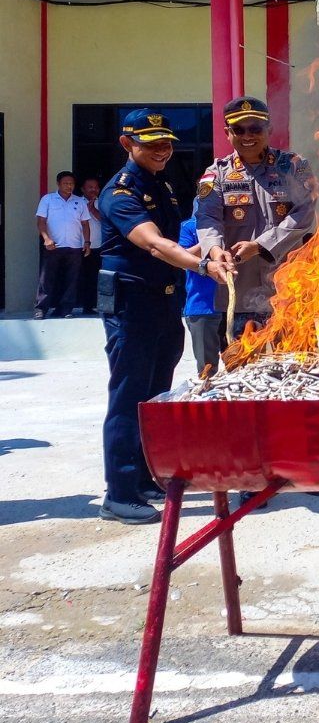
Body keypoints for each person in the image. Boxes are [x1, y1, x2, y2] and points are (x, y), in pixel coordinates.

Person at [95, 110, 234, 524]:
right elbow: (155, 245)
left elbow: (178, 247)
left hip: (162, 302)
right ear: (127, 144)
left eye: (167, 142)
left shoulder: (164, 187)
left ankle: (142, 477)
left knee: (154, 395)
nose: (162, 150)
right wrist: (202, 267)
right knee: (128, 394)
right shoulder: (119, 193)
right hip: (131, 305)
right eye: (151, 143)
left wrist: (214, 252)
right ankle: (117, 493)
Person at [196, 96, 318, 341]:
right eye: (238, 129)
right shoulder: (216, 174)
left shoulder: (293, 167)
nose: (247, 136)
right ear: (227, 133)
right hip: (240, 293)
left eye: (255, 128)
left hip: (288, 290)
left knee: (294, 368)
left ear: (269, 129)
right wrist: (214, 250)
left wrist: (261, 246)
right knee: (241, 367)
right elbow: (208, 218)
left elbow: (305, 213)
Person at [35, 171, 90, 319]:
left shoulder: (80, 202)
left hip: (74, 246)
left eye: (71, 183)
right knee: (47, 278)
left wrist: (87, 242)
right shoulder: (48, 199)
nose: (69, 186)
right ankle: (41, 309)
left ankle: (66, 309)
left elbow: (85, 224)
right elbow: (41, 221)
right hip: (53, 245)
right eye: (65, 183)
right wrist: (46, 239)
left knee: (71, 279)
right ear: (58, 184)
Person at [179, 215, 226, 375]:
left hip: (236, 307)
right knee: (207, 371)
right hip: (202, 307)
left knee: (241, 364)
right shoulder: (189, 226)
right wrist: (210, 241)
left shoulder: (236, 222)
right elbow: (180, 257)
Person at [79, 176, 103, 315]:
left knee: (96, 277)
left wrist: (93, 209)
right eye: (90, 187)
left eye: (96, 187)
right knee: (82, 277)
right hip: (80, 245)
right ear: (83, 189)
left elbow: (106, 221)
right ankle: (82, 305)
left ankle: (94, 305)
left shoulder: (103, 202)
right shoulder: (76, 202)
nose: (94, 190)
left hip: (99, 245)